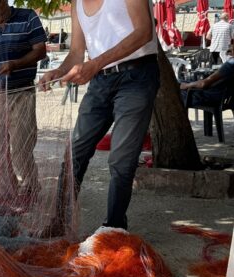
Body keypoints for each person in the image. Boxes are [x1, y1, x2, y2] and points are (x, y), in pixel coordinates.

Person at [39, 0, 159, 230]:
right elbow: (76, 53)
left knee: (121, 158)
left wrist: (95, 64)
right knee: (75, 152)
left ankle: (114, 226)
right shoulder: (77, 4)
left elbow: (144, 32)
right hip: (100, 81)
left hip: (137, 76)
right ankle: (59, 221)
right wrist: (57, 72)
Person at [0, 0, 47, 201]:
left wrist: (16, 64)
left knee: (22, 145)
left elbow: (41, 50)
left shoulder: (28, 16)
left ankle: (30, 188)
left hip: (22, 91)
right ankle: (5, 190)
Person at [181, 28, 234, 107]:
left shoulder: (231, 64)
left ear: (232, 42)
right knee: (185, 81)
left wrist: (186, 86)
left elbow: (204, 84)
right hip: (229, 97)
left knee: (177, 86)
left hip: (212, 97)